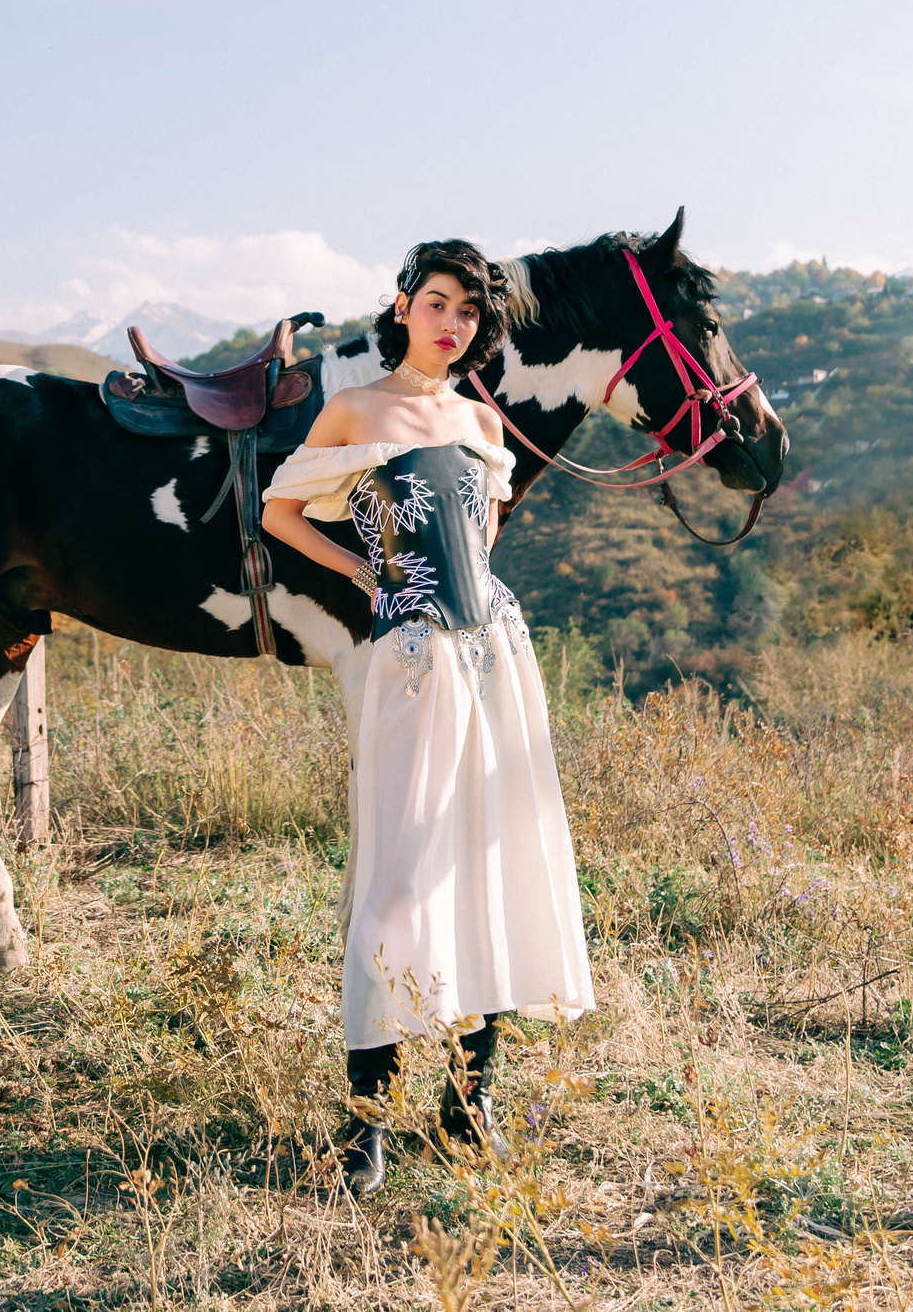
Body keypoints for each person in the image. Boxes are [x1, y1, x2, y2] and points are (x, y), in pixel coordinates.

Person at [260, 239, 597, 1196]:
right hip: (413, 663)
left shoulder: (476, 415)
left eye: (469, 315)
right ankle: (365, 1118)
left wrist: (474, 583)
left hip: (495, 655)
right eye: (437, 303)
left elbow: (483, 521)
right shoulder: (356, 408)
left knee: (488, 860)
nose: (452, 324)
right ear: (404, 305)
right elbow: (284, 513)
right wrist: (369, 573)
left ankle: (468, 1099)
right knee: (400, 870)